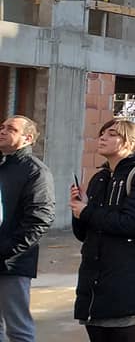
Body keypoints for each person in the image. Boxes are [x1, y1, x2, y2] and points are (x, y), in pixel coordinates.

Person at [69, 119, 135, 342]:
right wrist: (79, 209)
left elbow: (132, 223)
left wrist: (87, 212)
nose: (103, 138)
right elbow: (83, 234)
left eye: (112, 134)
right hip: (93, 281)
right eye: (102, 133)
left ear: (129, 142)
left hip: (126, 279)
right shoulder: (100, 177)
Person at [0, 116, 55, 342]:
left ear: (28, 138)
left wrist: (7, 249)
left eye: (11, 129)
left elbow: (40, 219)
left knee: (18, 329)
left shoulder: (36, 172)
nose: (2, 131)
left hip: (12, 263)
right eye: (2, 127)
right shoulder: (3, 166)